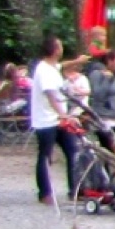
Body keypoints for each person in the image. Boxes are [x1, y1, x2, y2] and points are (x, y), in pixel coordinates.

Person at [28, 35, 83, 209]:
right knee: (45, 155)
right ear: (54, 50)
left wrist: (77, 61)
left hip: (58, 119)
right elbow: (51, 95)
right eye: (59, 46)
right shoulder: (43, 70)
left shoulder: (53, 67)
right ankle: (44, 193)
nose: (62, 48)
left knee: (73, 150)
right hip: (46, 120)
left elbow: (62, 65)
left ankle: (75, 189)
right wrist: (64, 115)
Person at [83, 51, 115, 125]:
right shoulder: (97, 74)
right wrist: (108, 79)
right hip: (103, 117)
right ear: (110, 61)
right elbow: (97, 94)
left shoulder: (114, 75)